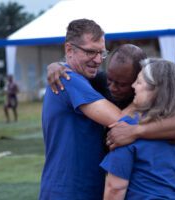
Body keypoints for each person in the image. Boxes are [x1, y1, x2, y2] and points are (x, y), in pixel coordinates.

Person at [47, 44, 175, 150]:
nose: (112, 87)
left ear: (139, 78)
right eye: (110, 79)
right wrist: (56, 66)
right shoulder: (101, 80)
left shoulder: (154, 94)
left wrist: (136, 131)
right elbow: (74, 74)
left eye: (122, 84)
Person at [40, 18, 123, 200]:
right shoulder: (69, 79)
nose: (97, 60)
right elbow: (120, 119)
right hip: (70, 191)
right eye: (91, 52)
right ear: (69, 50)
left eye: (101, 53)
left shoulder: (75, 76)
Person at [100, 58, 175, 199]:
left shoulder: (127, 129)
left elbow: (115, 188)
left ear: (156, 90)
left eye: (139, 82)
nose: (133, 86)